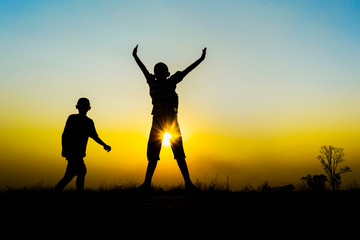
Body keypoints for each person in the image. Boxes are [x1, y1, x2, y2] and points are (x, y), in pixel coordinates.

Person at [132, 44, 206, 191]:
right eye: (157, 70)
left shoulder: (171, 81)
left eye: (161, 70)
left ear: (166, 73)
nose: (159, 72)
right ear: (155, 73)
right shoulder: (152, 82)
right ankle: (147, 184)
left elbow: (187, 70)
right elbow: (143, 69)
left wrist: (201, 59)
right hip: (158, 122)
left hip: (171, 122)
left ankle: (188, 183)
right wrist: (135, 56)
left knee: (179, 154)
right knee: (153, 156)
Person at [54, 98, 111, 192]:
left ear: (88, 108)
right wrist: (64, 150)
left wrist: (104, 145)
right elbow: (65, 135)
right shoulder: (72, 118)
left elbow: (94, 136)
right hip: (72, 152)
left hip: (78, 153)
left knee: (70, 175)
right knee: (81, 171)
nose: (83, 108)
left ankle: (56, 193)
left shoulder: (89, 122)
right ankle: (78, 195)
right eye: (82, 106)